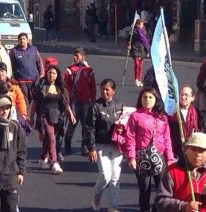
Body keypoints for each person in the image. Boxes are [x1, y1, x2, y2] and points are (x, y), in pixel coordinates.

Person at [155, 131, 206, 212]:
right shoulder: (172, 172)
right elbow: (160, 201)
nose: (197, 154)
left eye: (202, 150)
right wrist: (184, 207)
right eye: (194, 149)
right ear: (186, 150)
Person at [125, 86, 175, 212]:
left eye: (150, 97)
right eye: (144, 97)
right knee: (145, 190)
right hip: (142, 157)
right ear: (140, 99)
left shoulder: (162, 117)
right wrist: (131, 157)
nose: (147, 100)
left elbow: (167, 139)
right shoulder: (135, 116)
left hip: (159, 156)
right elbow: (130, 137)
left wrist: (169, 159)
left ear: (156, 99)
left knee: (161, 189)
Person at [84, 79, 123, 211]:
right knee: (106, 175)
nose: (104, 92)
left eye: (107, 89)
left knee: (115, 177)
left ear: (113, 91)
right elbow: (89, 128)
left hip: (117, 146)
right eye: (102, 89)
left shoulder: (120, 105)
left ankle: (114, 206)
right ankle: (96, 194)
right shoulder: (95, 106)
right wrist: (91, 148)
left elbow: (126, 123)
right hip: (101, 145)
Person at [30, 64, 75, 175]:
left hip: (57, 117)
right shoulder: (41, 87)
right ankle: (54, 163)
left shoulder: (60, 88)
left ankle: (42, 157)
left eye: (54, 73)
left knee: (49, 139)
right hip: (44, 116)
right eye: (49, 73)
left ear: (57, 75)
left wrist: (71, 115)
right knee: (51, 137)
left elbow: (66, 103)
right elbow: (34, 103)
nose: (51, 75)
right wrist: (30, 116)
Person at [63, 47, 96, 156]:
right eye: (74, 55)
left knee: (86, 125)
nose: (74, 57)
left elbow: (92, 87)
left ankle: (84, 146)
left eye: (77, 56)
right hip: (74, 102)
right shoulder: (69, 70)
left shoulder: (89, 70)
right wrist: (69, 96)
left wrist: (93, 101)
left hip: (86, 102)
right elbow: (66, 85)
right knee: (72, 124)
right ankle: (67, 143)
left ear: (83, 57)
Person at [9, 31, 43, 102]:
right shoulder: (13, 51)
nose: (22, 40)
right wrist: (11, 78)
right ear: (18, 40)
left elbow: (39, 62)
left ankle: (30, 112)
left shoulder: (33, 49)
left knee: (33, 99)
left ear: (27, 40)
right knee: (24, 99)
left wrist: (42, 74)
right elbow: (10, 66)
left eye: (24, 39)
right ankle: (25, 113)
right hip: (21, 80)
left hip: (33, 80)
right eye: (20, 39)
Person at [169, 85, 201, 159]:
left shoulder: (197, 113)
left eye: (186, 95)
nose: (183, 97)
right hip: (176, 151)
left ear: (193, 98)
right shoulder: (173, 112)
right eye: (181, 95)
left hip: (192, 150)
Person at [128, 19, 150, 87]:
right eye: (139, 24)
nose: (140, 26)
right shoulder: (133, 31)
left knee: (140, 66)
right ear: (136, 24)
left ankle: (139, 79)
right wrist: (128, 45)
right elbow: (129, 39)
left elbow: (146, 41)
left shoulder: (144, 32)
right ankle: (136, 79)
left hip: (142, 49)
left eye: (141, 24)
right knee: (137, 64)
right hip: (135, 49)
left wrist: (147, 50)